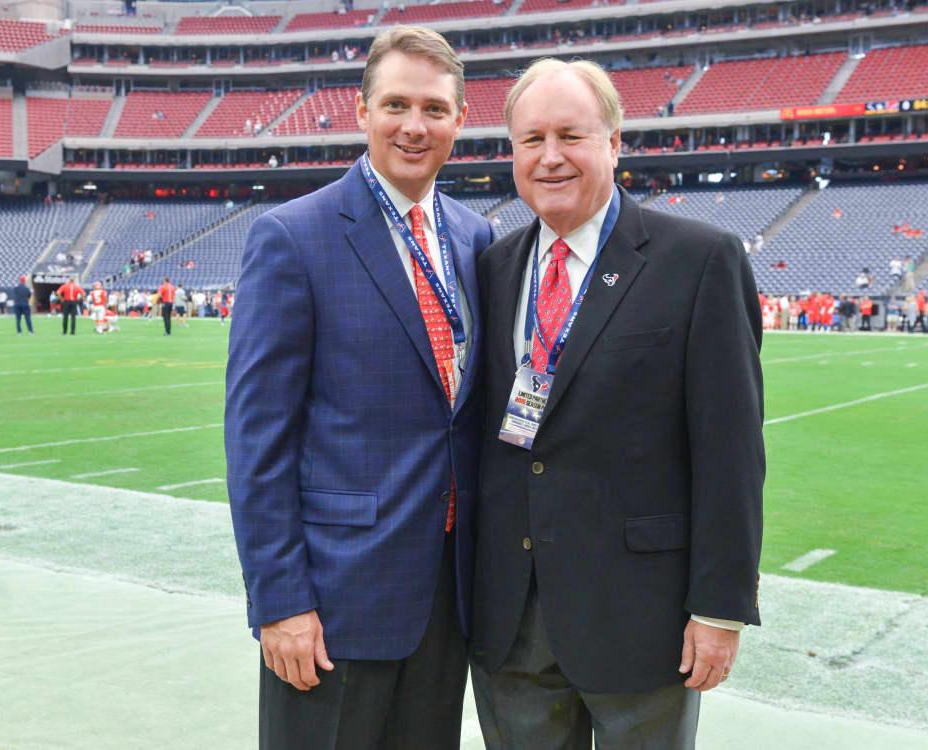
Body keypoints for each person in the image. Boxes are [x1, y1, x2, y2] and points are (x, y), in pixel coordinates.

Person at [471, 58, 764, 749]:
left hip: (643, 618)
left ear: (613, 142)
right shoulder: (494, 267)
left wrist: (720, 607)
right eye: (531, 140)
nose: (550, 158)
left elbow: (731, 451)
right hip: (512, 617)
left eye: (571, 136)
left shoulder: (699, 259)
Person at [224, 25, 494, 750]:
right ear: (361, 112)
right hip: (333, 603)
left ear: (461, 120)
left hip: (448, 594)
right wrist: (280, 602)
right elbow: (258, 441)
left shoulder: (477, 239)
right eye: (397, 105)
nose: (415, 126)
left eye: (435, 109)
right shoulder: (293, 236)